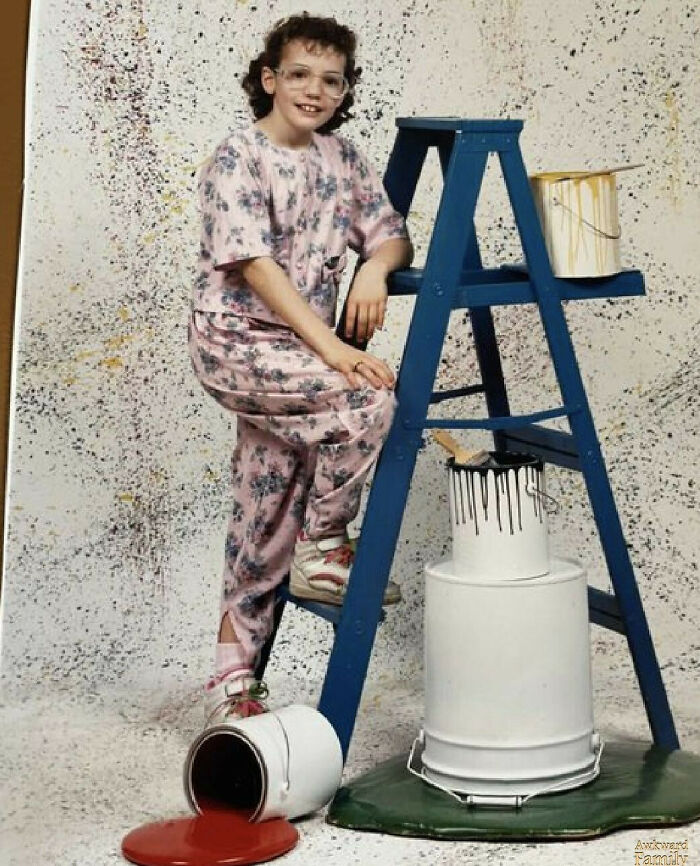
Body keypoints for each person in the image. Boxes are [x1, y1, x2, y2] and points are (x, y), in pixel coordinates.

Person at [188, 13, 413, 722]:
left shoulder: (341, 159)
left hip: (295, 350)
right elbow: (257, 268)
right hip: (237, 342)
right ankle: (324, 551)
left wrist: (374, 269)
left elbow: (391, 234)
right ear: (269, 79)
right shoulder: (237, 158)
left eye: (330, 79)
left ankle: (233, 681)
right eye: (299, 75)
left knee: (267, 500)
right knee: (366, 401)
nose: (314, 90)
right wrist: (336, 349)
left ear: (344, 90)